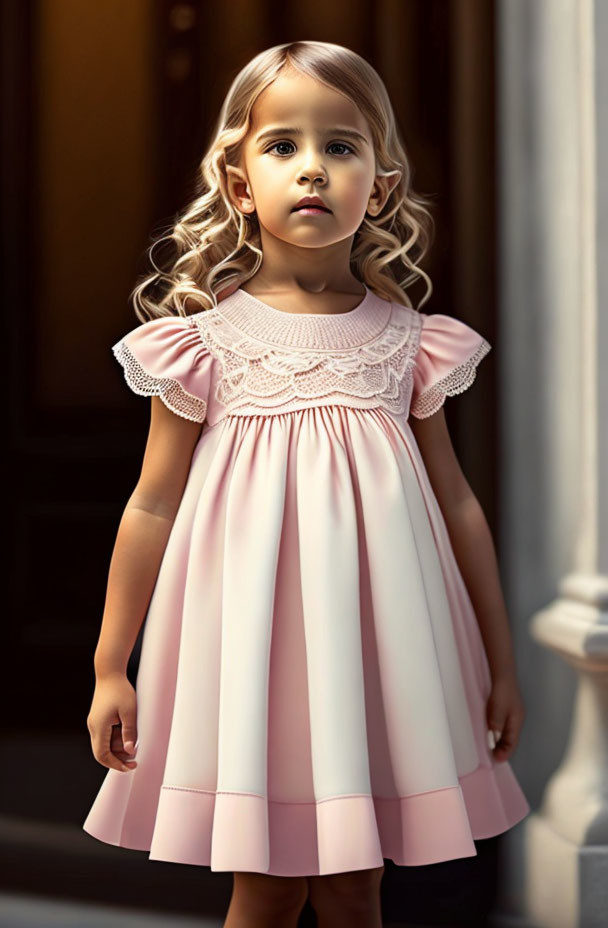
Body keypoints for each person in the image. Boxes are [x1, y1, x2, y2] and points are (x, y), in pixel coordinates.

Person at [83, 40, 530, 928]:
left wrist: (500, 661)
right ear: (242, 183)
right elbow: (151, 503)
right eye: (283, 146)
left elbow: (457, 504)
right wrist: (110, 664)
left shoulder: (410, 341)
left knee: (360, 881)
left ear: (383, 184)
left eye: (342, 146)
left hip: (378, 652)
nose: (314, 169)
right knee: (269, 882)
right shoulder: (201, 344)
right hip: (255, 654)